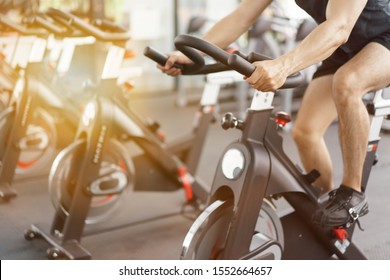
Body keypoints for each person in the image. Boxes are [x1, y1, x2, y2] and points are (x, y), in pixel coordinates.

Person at [157, 0, 390, 228]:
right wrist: (190, 53)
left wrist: (283, 66)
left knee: (348, 82)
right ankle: (328, 207)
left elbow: (339, 27)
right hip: (347, 47)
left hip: (381, 38)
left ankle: (353, 194)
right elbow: (243, 15)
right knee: (305, 133)